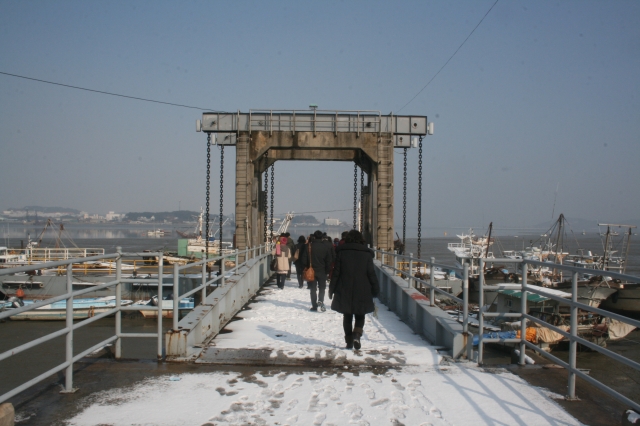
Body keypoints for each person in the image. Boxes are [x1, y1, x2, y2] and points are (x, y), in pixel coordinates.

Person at [329, 229, 379, 350]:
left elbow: (336, 273)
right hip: (362, 289)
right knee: (360, 315)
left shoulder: (342, 253)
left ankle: (349, 341)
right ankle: (357, 335)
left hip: (344, 288)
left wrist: (332, 289)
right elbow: (371, 274)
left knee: (347, 316)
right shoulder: (366, 254)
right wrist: (375, 288)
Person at [300, 230, 332, 312]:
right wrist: (327, 270)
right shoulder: (325, 247)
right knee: (322, 287)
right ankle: (321, 300)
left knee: (313, 289)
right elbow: (329, 260)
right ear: (322, 237)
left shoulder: (309, 246)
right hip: (322, 270)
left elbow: (303, 259)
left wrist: (306, 267)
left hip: (311, 270)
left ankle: (314, 306)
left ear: (314, 237)